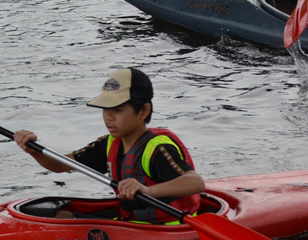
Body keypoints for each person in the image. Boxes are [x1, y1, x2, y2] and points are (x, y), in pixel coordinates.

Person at [13, 68, 205, 224]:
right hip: (129, 221)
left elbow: (195, 182)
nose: (108, 117)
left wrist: (147, 191)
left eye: (118, 110)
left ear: (144, 111)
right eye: (105, 109)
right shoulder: (110, 143)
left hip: (168, 226)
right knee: (53, 214)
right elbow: (60, 164)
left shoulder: (157, 148)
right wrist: (32, 150)